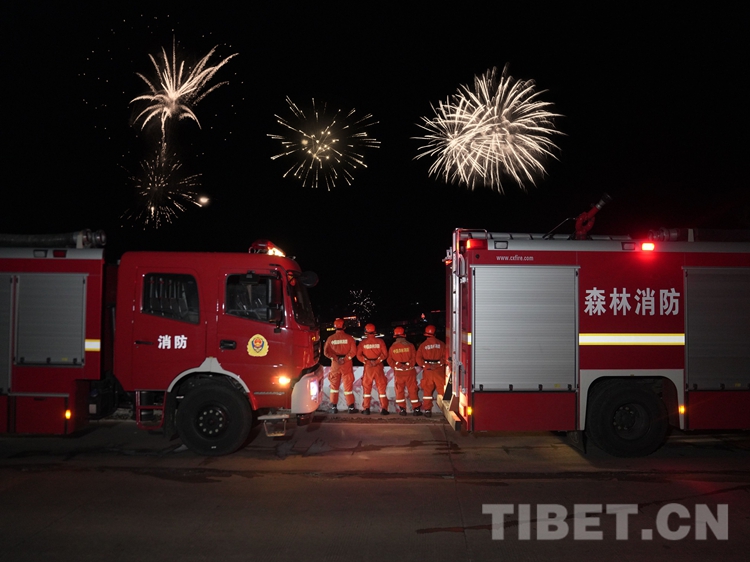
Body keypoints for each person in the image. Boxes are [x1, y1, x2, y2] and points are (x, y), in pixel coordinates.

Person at [323, 318, 358, 414]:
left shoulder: (330, 338)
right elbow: (353, 352)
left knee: (334, 387)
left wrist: (336, 358)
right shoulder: (349, 338)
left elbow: (326, 352)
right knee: (348, 387)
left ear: (334, 327)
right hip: (346, 364)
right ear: (344, 327)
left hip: (335, 364)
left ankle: (333, 408)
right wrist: (345, 359)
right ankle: (351, 408)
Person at [356, 323, 389, 415]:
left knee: (367, 389)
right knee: (381, 389)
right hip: (378, 367)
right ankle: (384, 409)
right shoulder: (380, 342)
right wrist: (377, 361)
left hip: (368, 368)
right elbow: (385, 354)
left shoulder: (362, 343)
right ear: (375, 331)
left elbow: (358, 355)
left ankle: (366, 409)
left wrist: (366, 361)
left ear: (365, 332)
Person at [387, 326, 421, 416]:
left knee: (399, 391)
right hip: (410, 372)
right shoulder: (410, 345)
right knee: (412, 390)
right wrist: (407, 365)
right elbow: (414, 358)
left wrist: (398, 365)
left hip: (399, 373)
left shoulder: (392, 347)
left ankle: (402, 409)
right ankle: (416, 409)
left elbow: (389, 360)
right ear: (404, 335)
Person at [416, 325, 446, 418]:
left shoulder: (423, 345)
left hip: (428, 371)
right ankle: (446, 410)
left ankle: (427, 410)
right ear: (435, 333)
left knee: (427, 392)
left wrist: (427, 365)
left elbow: (418, 359)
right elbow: (446, 357)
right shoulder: (441, 344)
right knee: (442, 391)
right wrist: (438, 364)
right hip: (439, 371)